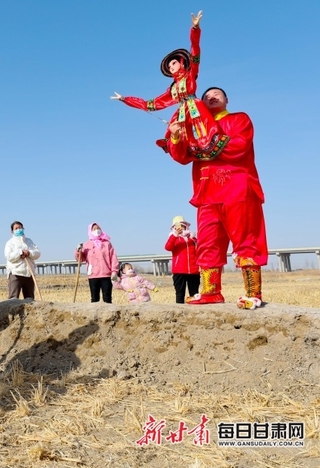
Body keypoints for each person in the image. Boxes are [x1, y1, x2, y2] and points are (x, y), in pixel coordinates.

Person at [166, 86, 267, 309]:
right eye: (206, 97)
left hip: (238, 188)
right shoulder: (193, 129)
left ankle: (253, 293)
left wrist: (201, 146)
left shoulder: (239, 119)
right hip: (207, 193)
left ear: (227, 100)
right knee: (208, 242)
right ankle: (212, 292)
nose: (211, 97)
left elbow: (238, 146)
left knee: (246, 239)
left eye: (217, 95)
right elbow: (181, 156)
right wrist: (175, 136)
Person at [111, 11, 229, 160]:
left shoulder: (190, 74)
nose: (171, 67)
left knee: (204, 132)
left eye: (173, 63)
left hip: (196, 109)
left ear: (181, 62)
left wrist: (195, 29)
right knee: (177, 133)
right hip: (182, 112)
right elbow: (151, 104)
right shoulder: (173, 89)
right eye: (169, 66)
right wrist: (125, 99)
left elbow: (195, 50)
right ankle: (180, 146)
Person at [75, 223, 119, 304]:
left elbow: (113, 257)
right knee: (94, 298)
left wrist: (114, 271)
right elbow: (80, 259)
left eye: (98, 228)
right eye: (94, 229)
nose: (97, 230)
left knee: (107, 298)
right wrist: (78, 251)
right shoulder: (86, 244)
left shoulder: (107, 243)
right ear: (90, 231)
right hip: (93, 275)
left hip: (106, 274)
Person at [164, 216, 200, 304]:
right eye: (177, 226)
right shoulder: (173, 237)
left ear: (186, 226)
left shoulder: (192, 238)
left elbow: (199, 251)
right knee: (180, 294)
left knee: (194, 294)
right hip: (179, 271)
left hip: (193, 270)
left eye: (182, 226)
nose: (180, 228)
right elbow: (168, 247)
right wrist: (175, 235)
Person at [4, 221, 41, 299]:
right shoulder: (10, 243)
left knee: (30, 299)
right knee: (13, 299)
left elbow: (37, 253)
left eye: (20, 228)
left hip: (29, 273)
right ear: (12, 231)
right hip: (16, 273)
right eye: (16, 228)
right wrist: (20, 252)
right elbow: (9, 256)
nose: (19, 229)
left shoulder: (29, 241)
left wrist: (29, 253)